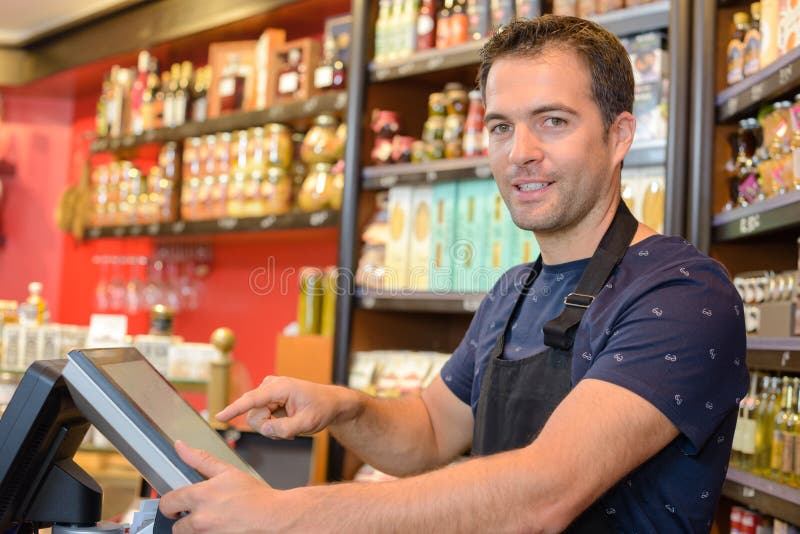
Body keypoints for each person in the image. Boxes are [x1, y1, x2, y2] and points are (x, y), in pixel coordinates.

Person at [160, 15, 747, 533]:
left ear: (619, 136)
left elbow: (542, 494)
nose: (520, 151)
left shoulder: (682, 294)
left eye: (552, 121)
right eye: (500, 126)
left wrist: (285, 515)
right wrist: (344, 408)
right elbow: (429, 433)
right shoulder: (514, 292)